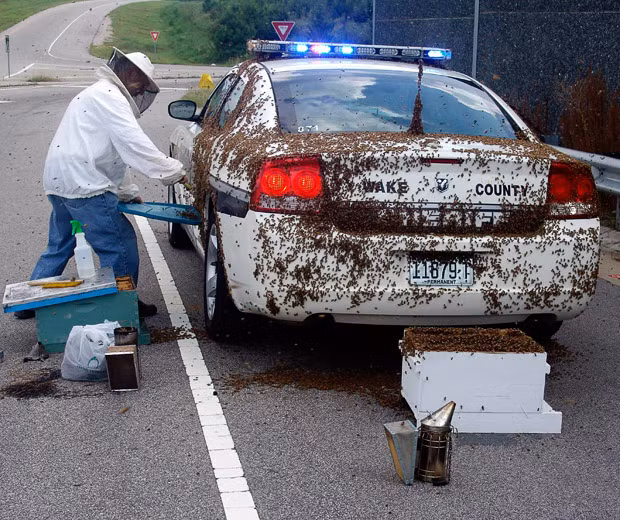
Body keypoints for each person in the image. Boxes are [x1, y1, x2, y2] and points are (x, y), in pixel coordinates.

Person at [15, 48, 187, 319]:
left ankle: (28, 303)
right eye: (139, 80)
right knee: (119, 244)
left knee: (60, 243)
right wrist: (174, 171)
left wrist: (128, 193)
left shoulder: (94, 93)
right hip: (85, 185)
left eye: (143, 84)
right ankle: (124, 304)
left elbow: (113, 155)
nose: (140, 87)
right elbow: (133, 144)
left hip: (60, 181)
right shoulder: (111, 97)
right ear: (127, 72)